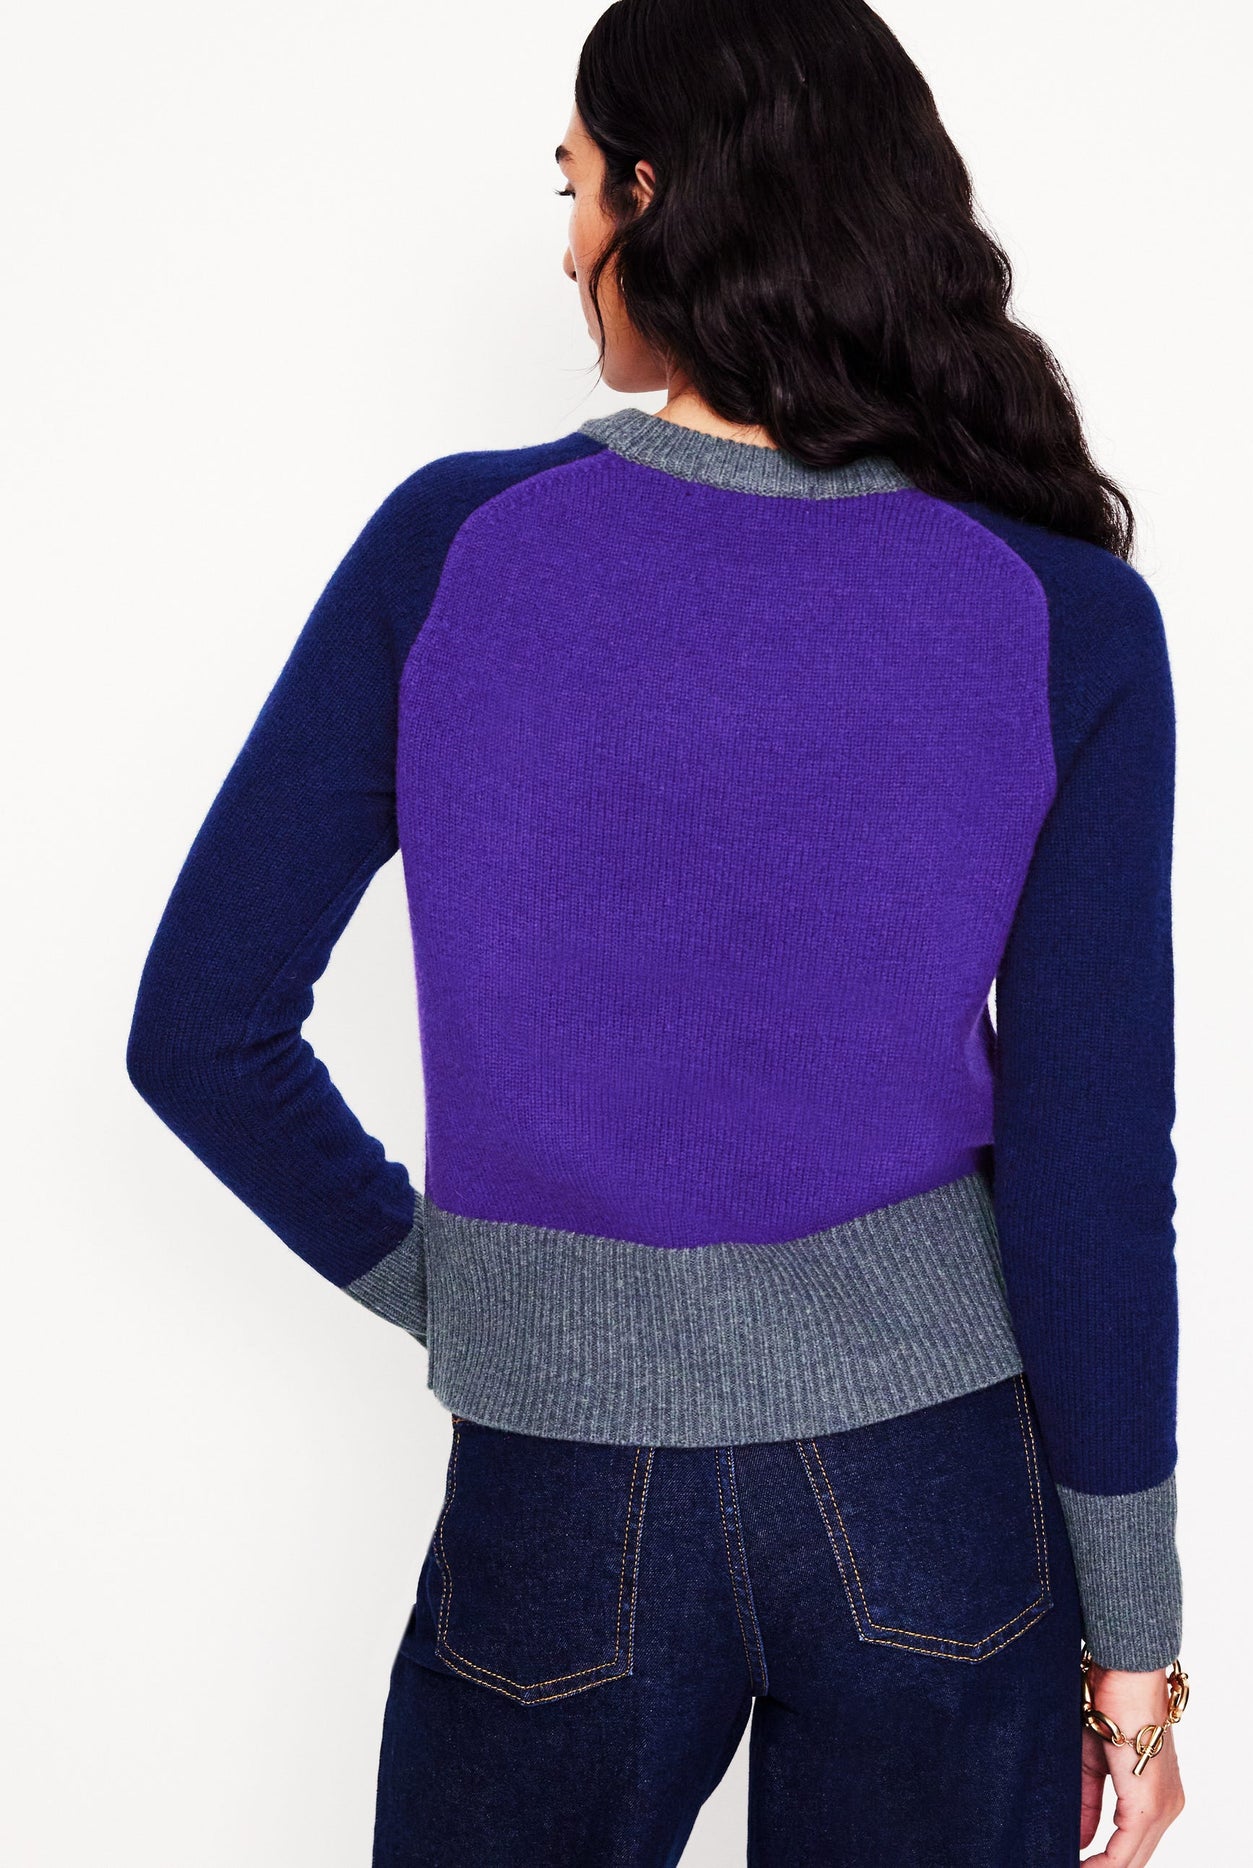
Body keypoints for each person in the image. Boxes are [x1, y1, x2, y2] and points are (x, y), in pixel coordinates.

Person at [126, 0, 1187, 1861]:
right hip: (936, 1499)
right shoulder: (1058, 610)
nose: (562, 251)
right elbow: (1088, 1168)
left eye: (570, 190)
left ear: (652, 189)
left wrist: (463, 1288)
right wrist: (1138, 1647)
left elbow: (203, 1027)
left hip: (561, 1495)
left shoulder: (456, 549)